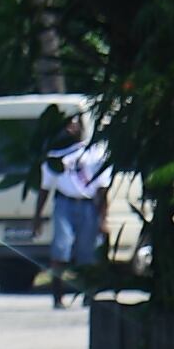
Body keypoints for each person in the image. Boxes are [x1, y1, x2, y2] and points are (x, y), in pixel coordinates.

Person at [46, 112, 112, 297]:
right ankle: (57, 295)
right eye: (67, 125)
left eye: (74, 124)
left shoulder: (95, 153)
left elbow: (102, 188)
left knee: (87, 252)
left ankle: (88, 294)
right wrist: (37, 216)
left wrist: (103, 218)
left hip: (88, 205)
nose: (71, 129)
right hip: (64, 204)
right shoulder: (55, 154)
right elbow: (45, 187)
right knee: (60, 248)